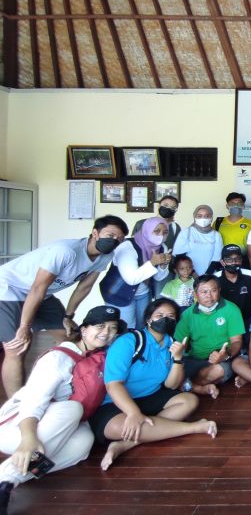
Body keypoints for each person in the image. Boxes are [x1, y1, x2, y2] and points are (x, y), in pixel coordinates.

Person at [0, 306, 121, 511]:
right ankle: (6, 481)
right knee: (73, 409)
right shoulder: (58, 358)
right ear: (83, 330)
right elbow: (33, 401)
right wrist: (29, 439)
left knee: (83, 444)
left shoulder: (99, 358)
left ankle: (8, 480)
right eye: (100, 326)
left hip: (53, 432)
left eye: (112, 327)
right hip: (19, 428)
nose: (106, 332)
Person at [0, 214, 128, 396]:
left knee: (71, 338)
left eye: (119, 239)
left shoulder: (105, 256)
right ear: (95, 233)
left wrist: (68, 316)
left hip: (43, 294)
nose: (114, 241)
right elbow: (38, 287)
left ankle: (72, 387)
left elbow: (85, 286)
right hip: (9, 289)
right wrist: (24, 326)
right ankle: (17, 405)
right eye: (110, 235)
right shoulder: (66, 251)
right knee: (17, 347)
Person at [90, 298, 217, 471]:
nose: (165, 320)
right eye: (159, 315)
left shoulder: (171, 344)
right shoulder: (129, 341)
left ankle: (125, 445)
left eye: (171, 316)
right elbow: (114, 385)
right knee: (117, 427)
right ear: (148, 319)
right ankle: (194, 427)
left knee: (189, 400)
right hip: (116, 402)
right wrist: (133, 413)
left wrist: (178, 358)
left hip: (149, 396)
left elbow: (171, 385)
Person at [173, 275, 245, 399]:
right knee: (175, 369)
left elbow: (237, 341)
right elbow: (178, 343)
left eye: (213, 290)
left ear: (219, 290)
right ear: (195, 294)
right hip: (195, 359)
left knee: (219, 370)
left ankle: (187, 386)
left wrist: (225, 355)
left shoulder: (231, 309)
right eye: (204, 292)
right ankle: (197, 387)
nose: (209, 295)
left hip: (221, 360)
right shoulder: (187, 315)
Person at [100, 217, 172, 329]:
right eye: (156, 231)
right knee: (125, 329)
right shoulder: (127, 246)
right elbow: (131, 279)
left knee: (142, 326)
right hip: (119, 293)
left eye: (165, 232)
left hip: (143, 293)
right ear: (147, 230)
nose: (161, 235)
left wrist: (163, 265)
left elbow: (158, 277)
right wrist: (152, 263)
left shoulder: (162, 247)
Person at [132, 196, 181, 295]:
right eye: (166, 205)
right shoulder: (141, 223)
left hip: (163, 269)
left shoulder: (175, 228)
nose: (168, 209)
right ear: (159, 205)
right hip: (141, 268)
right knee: (142, 297)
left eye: (172, 208)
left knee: (161, 300)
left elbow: (176, 250)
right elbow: (133, 245)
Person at [212, 245, 251, 328]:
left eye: (237, 259)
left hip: (246, 319)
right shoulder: (214, 278)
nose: (234, 262)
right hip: (222, 320)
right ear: (222, 262)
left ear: (241, 260)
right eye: (229, 260)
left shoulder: (250, 275)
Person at [173, 205, 223, 276]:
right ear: (194, 217)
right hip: (187, 275)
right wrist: (192, 273)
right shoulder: (187, 232)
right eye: (199, 216)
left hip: (209, 276)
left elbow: (216, 259)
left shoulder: (216, 235)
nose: (203, 219)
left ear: (211, 218)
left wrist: (206, 276)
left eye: (207, 216)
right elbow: (180, 256)